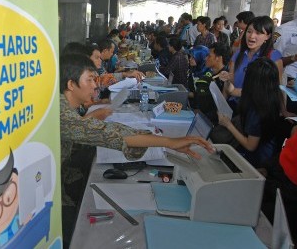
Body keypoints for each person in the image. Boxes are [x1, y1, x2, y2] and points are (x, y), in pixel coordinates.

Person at [60, 53, 214, 203]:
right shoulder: (61, 113)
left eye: (94, 80)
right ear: (71, 85)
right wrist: (170, 142)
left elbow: (84, 127)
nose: (94, 86)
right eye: (89, 80)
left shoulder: (63, 107)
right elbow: (108, 133)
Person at [217, 57, 282, 169]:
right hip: (268, 150)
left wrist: (228, 124)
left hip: (256, 160)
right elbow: (232, 91)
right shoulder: (270, 94)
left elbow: (250, 146)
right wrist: (227, 80)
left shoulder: (257, 110)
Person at [220, 16, 282, 112]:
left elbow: (273, 90)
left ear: (268, 36)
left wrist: (283, 110)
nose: (251, 36)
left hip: (254, 111)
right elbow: (230, 81)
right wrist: (222, 106)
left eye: (258, 33)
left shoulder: (274, 57)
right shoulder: (239, 53)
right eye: (249, 31)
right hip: (234, 105)